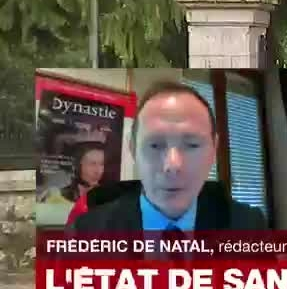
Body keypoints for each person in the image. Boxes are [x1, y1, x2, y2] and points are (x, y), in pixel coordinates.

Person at [67, 80, 269, 233]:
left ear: (213, 149)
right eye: (155, 145)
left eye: (191, 145)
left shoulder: (249, 227)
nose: (173, 165)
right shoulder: (85, 234)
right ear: (133, 149)